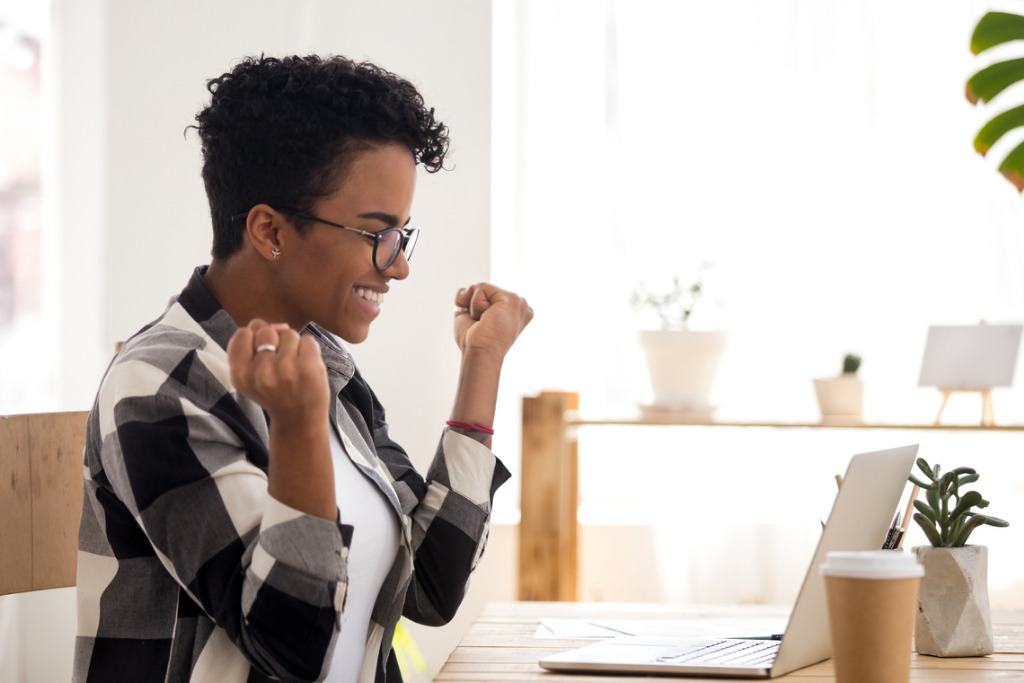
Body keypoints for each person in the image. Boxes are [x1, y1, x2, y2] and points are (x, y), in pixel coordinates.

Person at [73, 54, 532, 683]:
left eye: (404, 235)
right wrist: (298, 425)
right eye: (378, 233)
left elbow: (430, 588)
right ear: (270, 231)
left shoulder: (326, 366)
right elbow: (293, 646)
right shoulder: (159, 386)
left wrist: (482, 364)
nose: (398, 266)